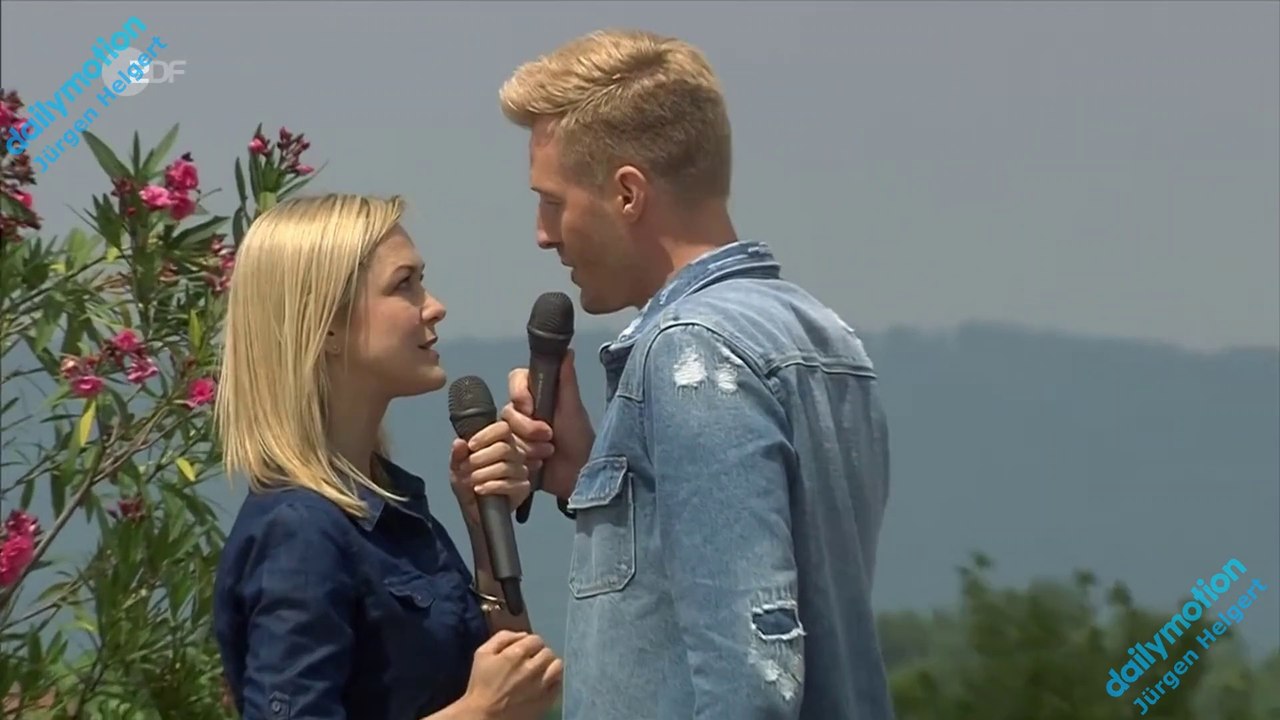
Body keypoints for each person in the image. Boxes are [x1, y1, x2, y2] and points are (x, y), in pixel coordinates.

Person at [496, 29, 897, 719]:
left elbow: (751, 668)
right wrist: (590, 474)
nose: (542, 232)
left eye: (554, 201)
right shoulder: (826, 336)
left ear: (627, 194)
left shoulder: (693, 355)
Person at [211, 194, 563, 720]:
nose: (434, 304)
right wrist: (481, 712)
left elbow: (523, 689)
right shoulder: (301, 532)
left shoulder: (390, 511)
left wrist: (484, 536)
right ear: (326, 326)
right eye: (405, 284)